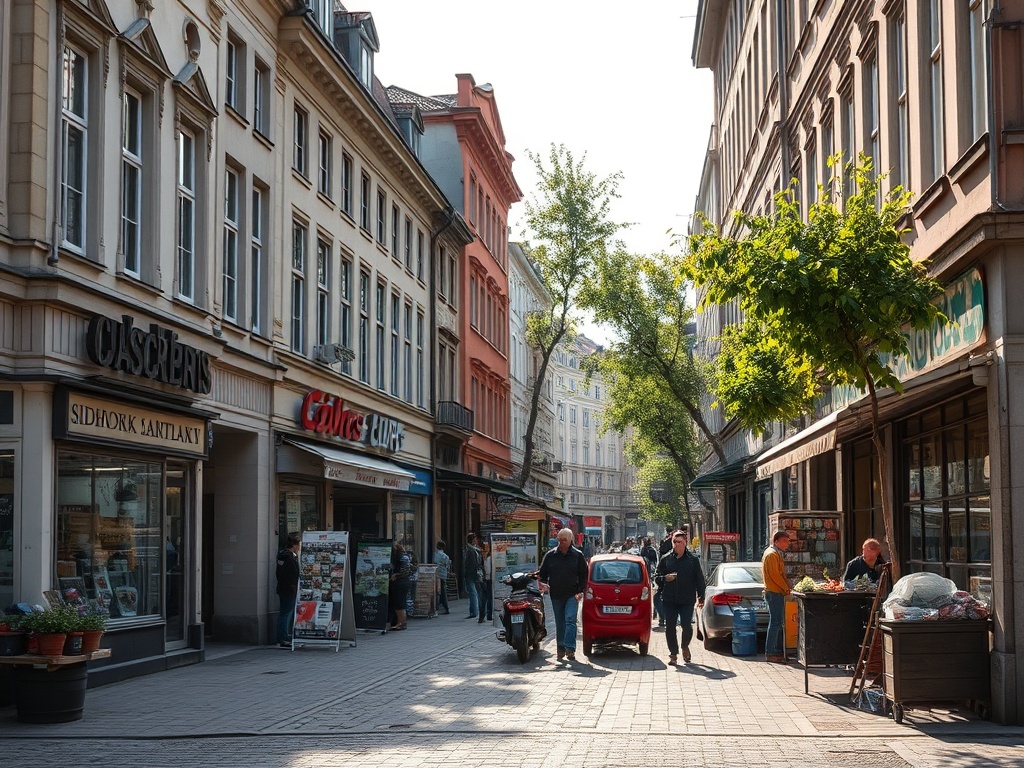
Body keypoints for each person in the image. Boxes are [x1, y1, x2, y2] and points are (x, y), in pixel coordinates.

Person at [654, 529, 705, 665]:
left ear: (685, 543)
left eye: (679, 542)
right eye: (674, 542)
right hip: (669, 599)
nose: (676, 544)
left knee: (686, 626)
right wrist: (665, 578)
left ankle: (684, 646)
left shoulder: (692, 560)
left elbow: (699, 579)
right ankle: (673, 654)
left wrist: (701, 596)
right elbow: (656, 578)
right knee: (670, 627)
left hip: (687, 599)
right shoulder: (666, 559)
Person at [537, 528, 588, 662]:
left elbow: (584, 575)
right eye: (559, 540)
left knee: (570, 620)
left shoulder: (578, 556)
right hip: (556, 595)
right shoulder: (550, 555)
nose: (561, 543)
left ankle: (570, 649)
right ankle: (561, 647)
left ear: (570, 540)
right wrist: (542, 583)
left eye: (564, 540)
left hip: (572, 594)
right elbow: (542, 574)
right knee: (560, 623)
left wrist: (580, 591)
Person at [762, 530, 792, 663]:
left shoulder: (774, 553)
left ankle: (776, 651)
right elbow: (775, 576)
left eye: (788, 541)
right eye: (785, 541)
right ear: (776, 541)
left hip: (775, 592)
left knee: (777, 622)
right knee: (775, 622)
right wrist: (786, 588)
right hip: (774, 592)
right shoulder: (772, 554)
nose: (787, 544)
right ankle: (771, 652)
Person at [275, 534, 300, 648]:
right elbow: (292, 574)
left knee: (285, 613)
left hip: (283, 588)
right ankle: (283, 638)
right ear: (294, 545)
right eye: (298, 545)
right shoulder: (289, 558)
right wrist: (293, 585)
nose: (299, 547)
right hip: (289, 589)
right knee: (286, 614)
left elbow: (280, 573)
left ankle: (284, 636)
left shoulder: (282, 556)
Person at [388, 542, 411, 631]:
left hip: (400, 583)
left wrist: (395, 575)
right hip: (401, 582)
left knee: (399, 603)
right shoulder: (402, 556)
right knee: (399, 603)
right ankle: (400, 622)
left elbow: (406, 571)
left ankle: (401, 623)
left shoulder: (402, 557)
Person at [463, 533, 484, 620]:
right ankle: (478, 611)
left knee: (473, 593)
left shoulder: (470, 550)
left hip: (472, 574)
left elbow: (470, 564)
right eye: (475, 539)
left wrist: (467, 572)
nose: (476, 541)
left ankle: (474, 612)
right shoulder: (476, 550)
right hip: (477, 573)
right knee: (477, 593)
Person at [433, 541, 451, 614]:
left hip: (437, 574)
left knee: (438, 591)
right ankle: (444, 607)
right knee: (443, 590)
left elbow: (435, 562)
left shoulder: (436, 554)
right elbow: (447, 565)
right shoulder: (445, 556)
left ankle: (438, 607)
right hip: (443, 574)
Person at [480, 539, 494, 622]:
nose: (483, 549)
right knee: (488, 597)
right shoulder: (488, 558)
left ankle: (484, 614)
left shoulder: (486, 557)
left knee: (486, 597)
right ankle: (488, 614)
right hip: (488, 579)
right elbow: (488, 570)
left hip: (486, 579)